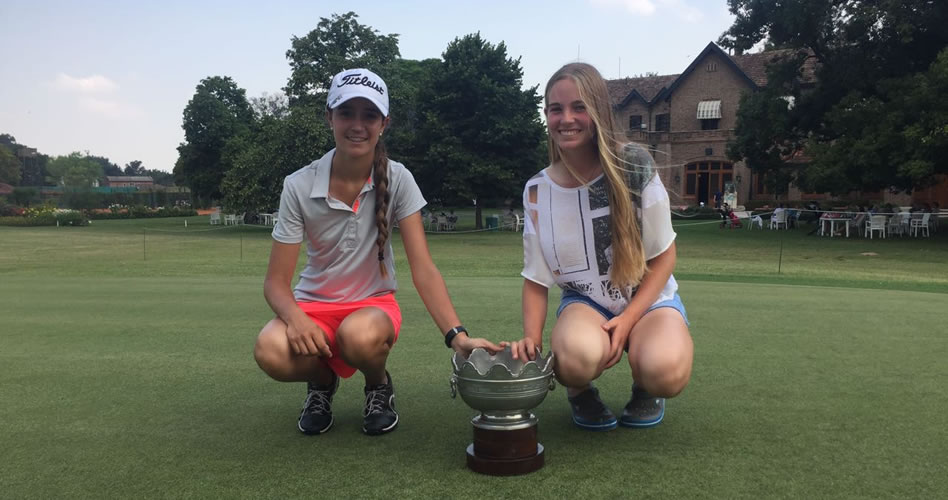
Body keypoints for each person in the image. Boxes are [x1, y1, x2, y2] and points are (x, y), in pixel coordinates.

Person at [253, 68, 502, 437]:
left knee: (358, 336)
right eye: (346, 113)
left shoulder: (399, 178)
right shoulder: (298, 184)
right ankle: (322, 384)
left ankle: (378, 385)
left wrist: (457, 336)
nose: (357, 125)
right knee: (269, 349)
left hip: (372, 308)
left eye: (369, 115)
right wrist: (296, 319)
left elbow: (423, 268)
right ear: (329, 117)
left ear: (384, 123)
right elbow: (276, 283)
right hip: (313, 308)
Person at [509, 63, 693, 431]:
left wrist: (628, 319)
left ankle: (645, 387)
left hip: (648, 300)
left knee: (665, 370)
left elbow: (664, 255)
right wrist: (531, 338)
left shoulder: (635, 165)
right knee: (573, 358)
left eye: (579, 107)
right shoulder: (537, 190)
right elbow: (535, 279)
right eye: (556, 109)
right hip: (587, 303)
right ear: (546, 115)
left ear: (599, 112)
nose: (567, 119)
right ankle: (580, 392)